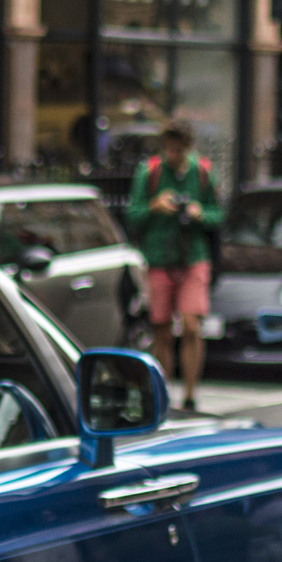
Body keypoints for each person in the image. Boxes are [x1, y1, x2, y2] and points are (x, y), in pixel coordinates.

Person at [122, 120, 222, 412]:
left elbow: (218, 215)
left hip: (193, 257)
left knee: (191, 325)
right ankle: (163, 393)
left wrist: (199, 212)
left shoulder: (202, 172)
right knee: (161, 329)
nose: (172, 154)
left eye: (178, 149)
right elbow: (132, 214)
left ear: (188, 148)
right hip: (159, 258)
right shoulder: (150, 172)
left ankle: (190, 394)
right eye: (167, 148)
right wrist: (155, 205)